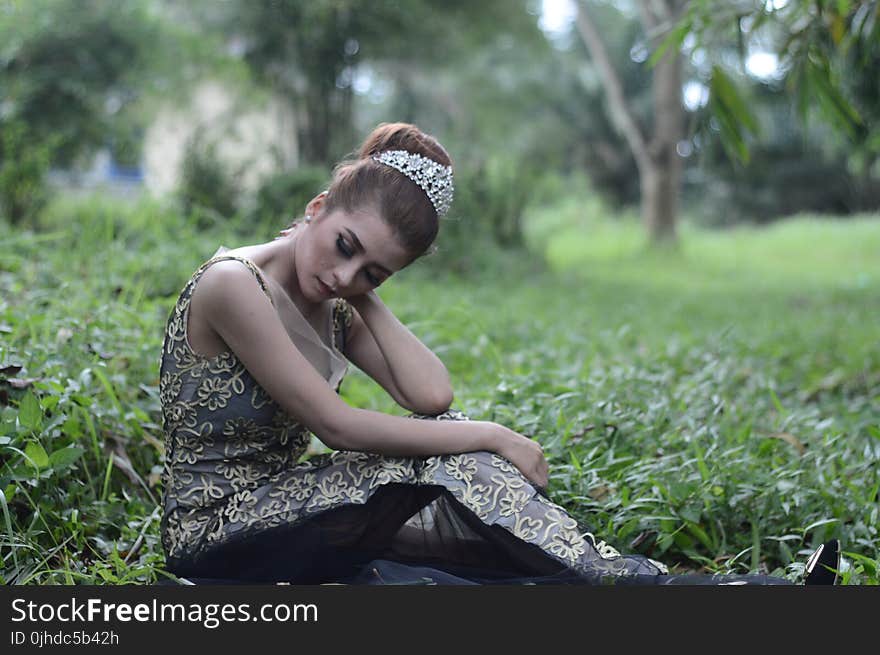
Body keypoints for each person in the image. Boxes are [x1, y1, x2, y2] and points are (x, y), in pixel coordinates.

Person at [158, 122, 839, 585]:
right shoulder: (233, 286)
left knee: (496, 548)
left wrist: (363, 294)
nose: (346, 274)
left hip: (286, 511)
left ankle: (719, 592)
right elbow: (335, 426)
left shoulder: (337, 299)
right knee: (457, 455)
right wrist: (492, 435)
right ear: (316, 207)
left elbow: (431, 396)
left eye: (375, 270)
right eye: (345, 244)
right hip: (218, 528)